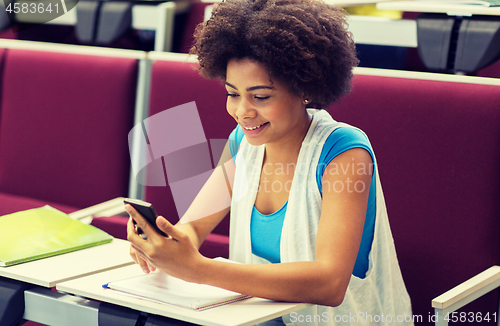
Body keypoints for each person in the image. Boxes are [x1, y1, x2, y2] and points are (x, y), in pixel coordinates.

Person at [126, 0, 413, 325]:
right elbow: (193, 227)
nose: (242, 112)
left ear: (304, 87)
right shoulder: (242, 142)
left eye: (260, 97)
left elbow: (329, 284)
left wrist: (199, 270)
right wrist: (165, 247)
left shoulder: (344, 153)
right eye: (233, 94)